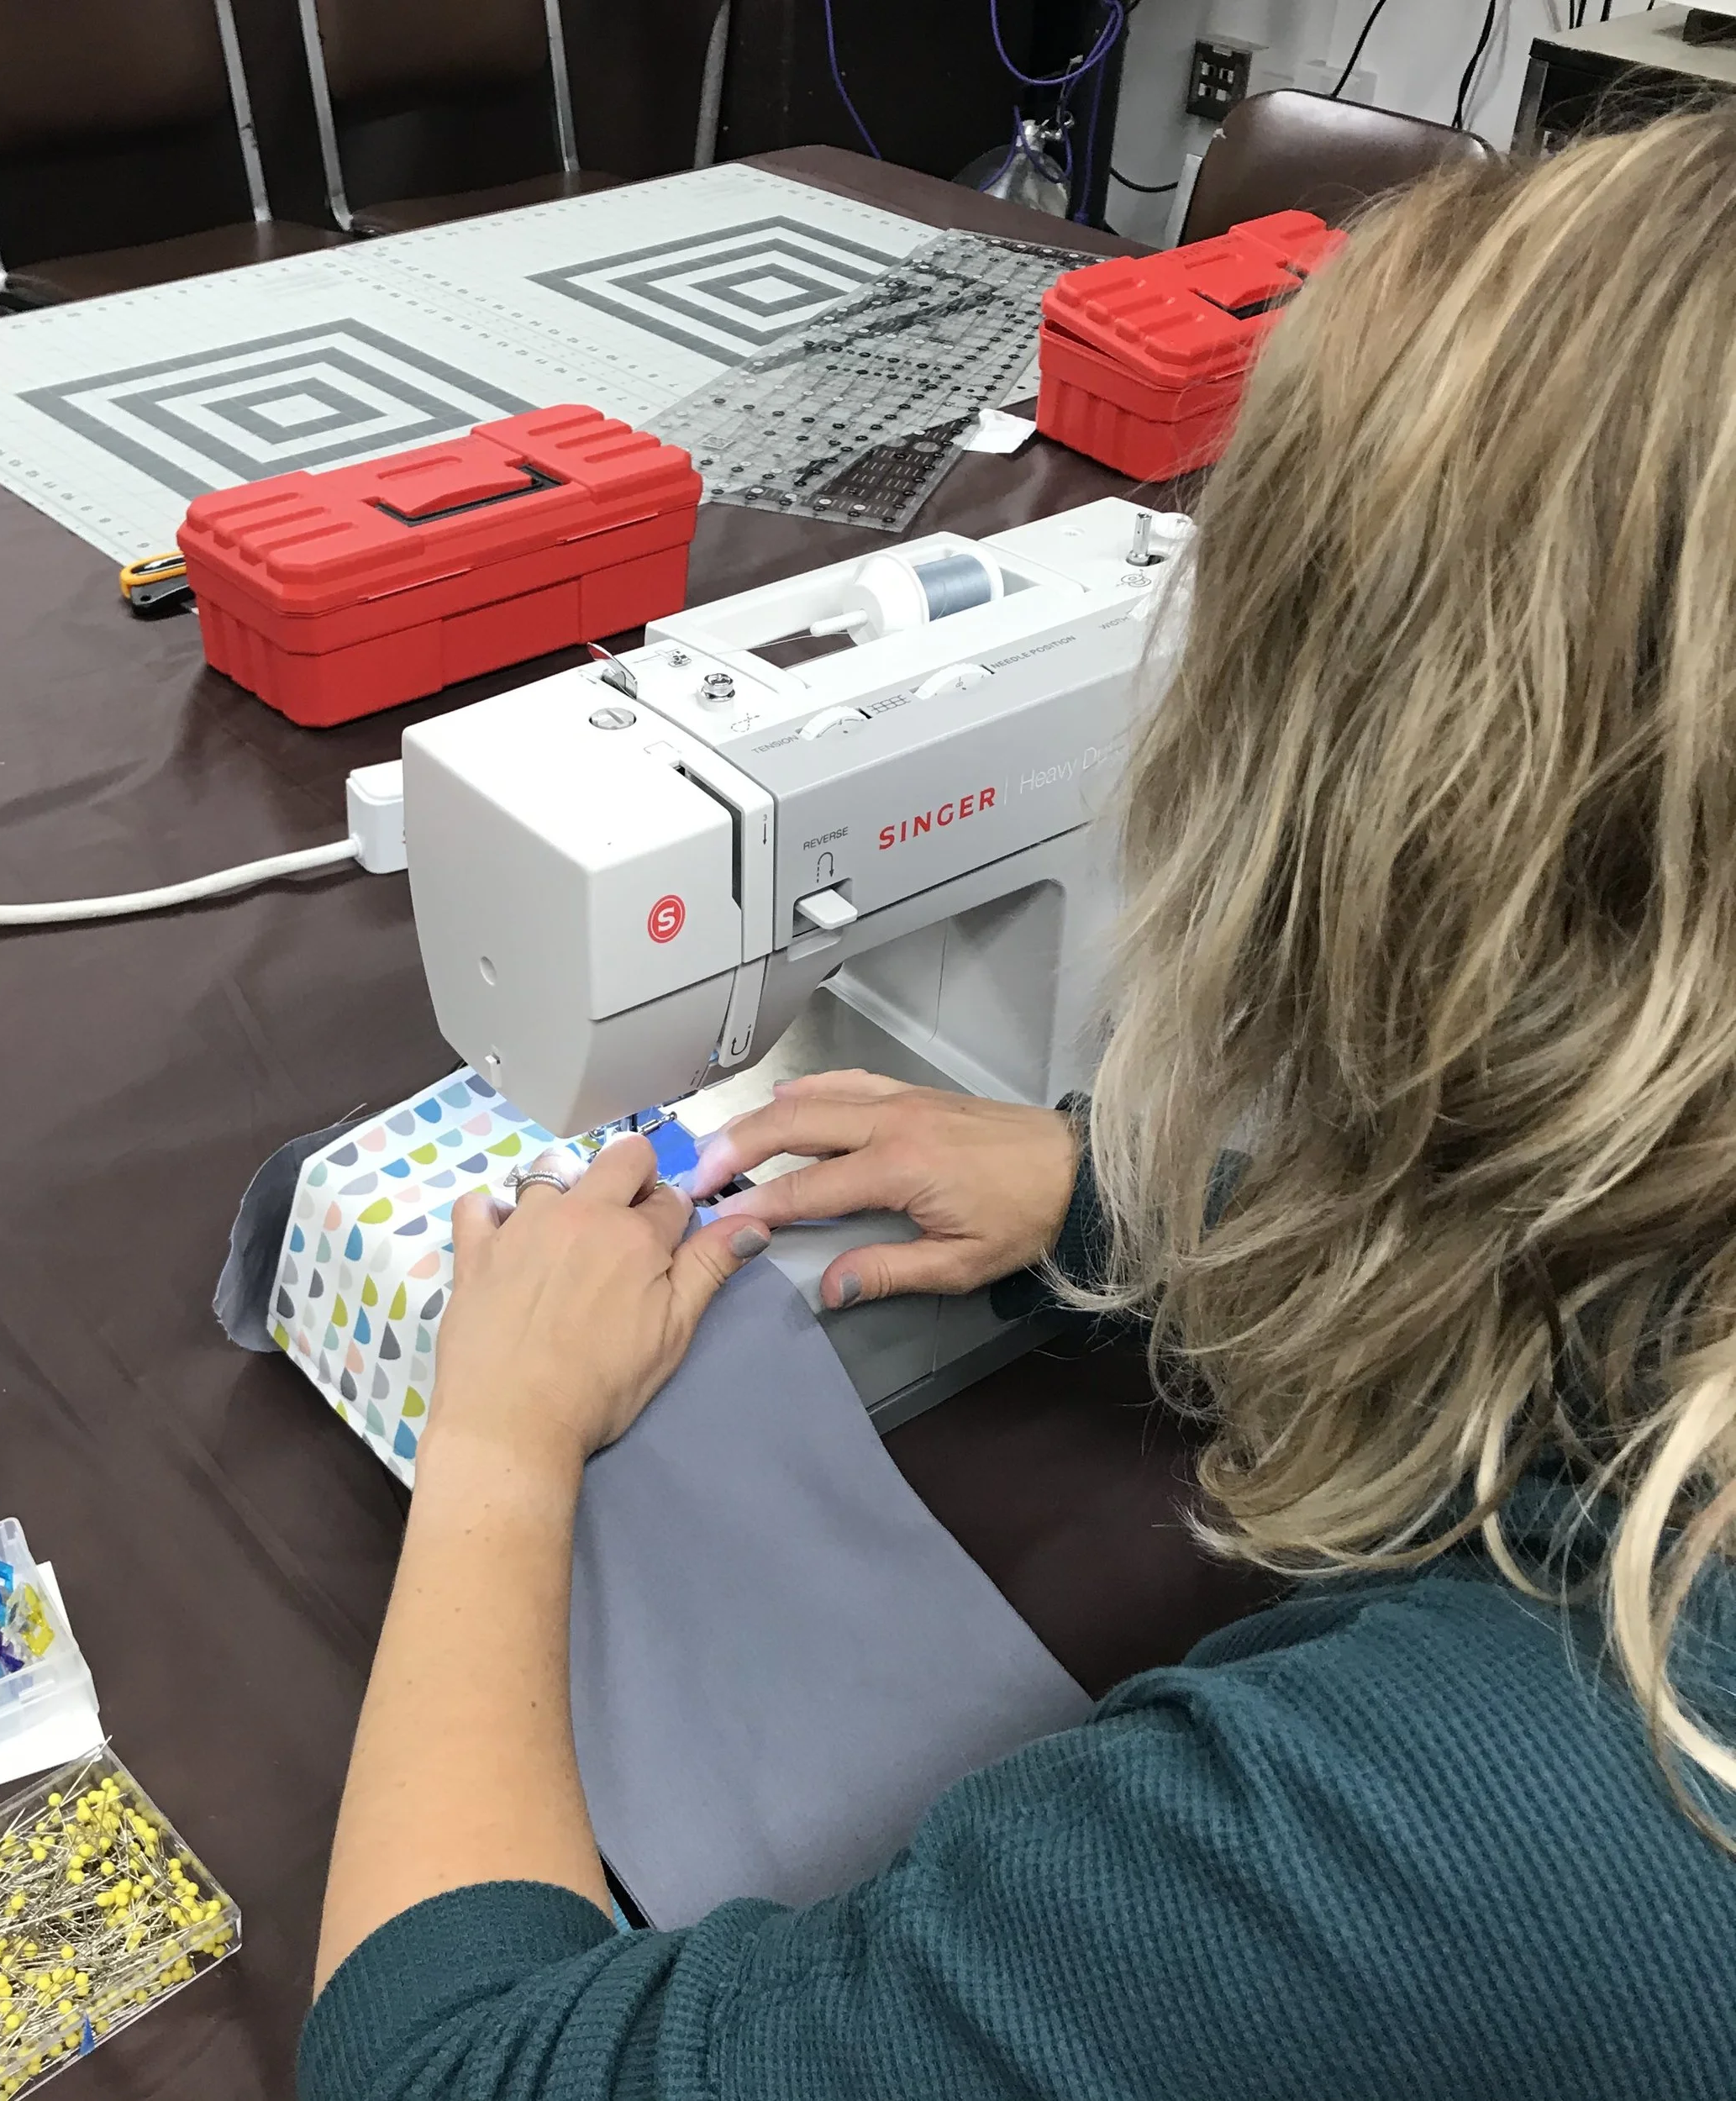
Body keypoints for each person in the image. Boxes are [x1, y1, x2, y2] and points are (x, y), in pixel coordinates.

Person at [299, 113, 1736, 2101]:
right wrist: (1123, 1200)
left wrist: (496, 1445)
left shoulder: (1511, 1812)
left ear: (1401, 854)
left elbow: (445, 2075)